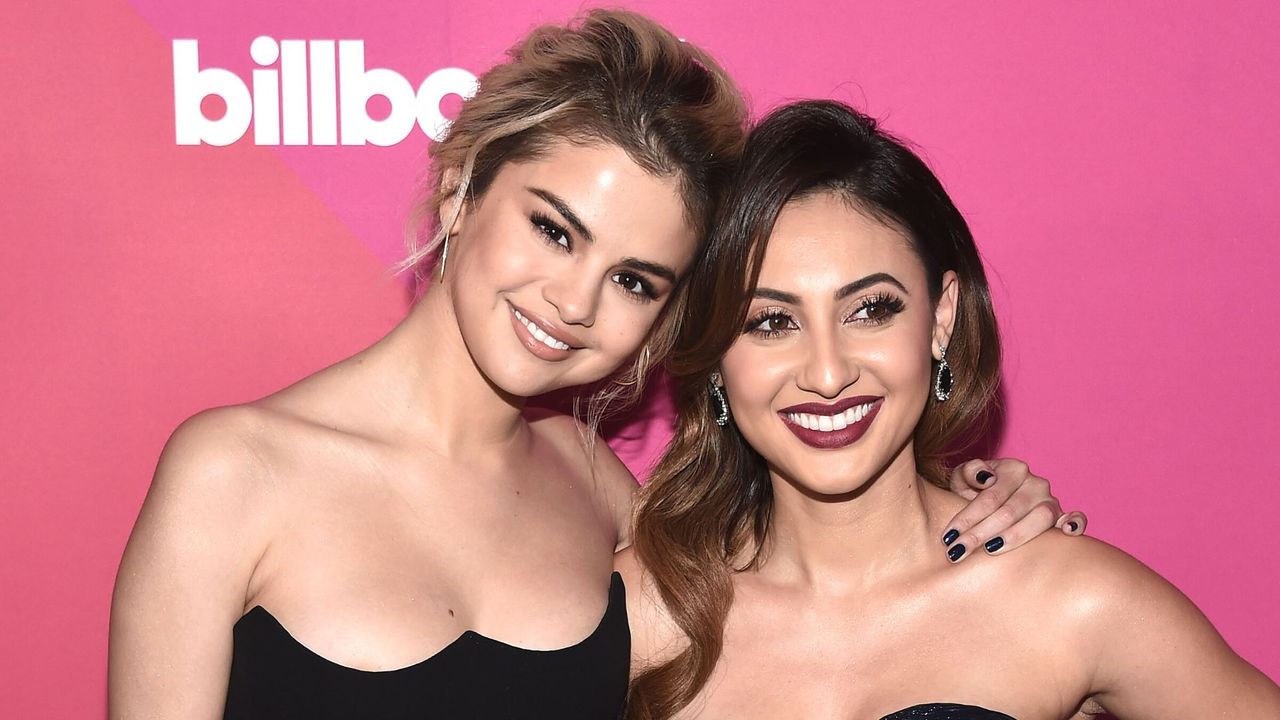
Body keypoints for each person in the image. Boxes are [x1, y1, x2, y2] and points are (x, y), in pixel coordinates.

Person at [109, 12, 1080, 720]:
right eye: (552, 229)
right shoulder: (233, 474)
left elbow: (824, 600)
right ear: (460, 188)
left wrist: (982, 508)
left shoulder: (603, 495)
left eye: (633, 280)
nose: (573, 303)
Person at [620, 99, 1280, 719]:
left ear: (940, 320)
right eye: (769, 322)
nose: (828, 374)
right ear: (712, 356)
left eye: (870, 310)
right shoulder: (644, 615)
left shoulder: (1070, 600)